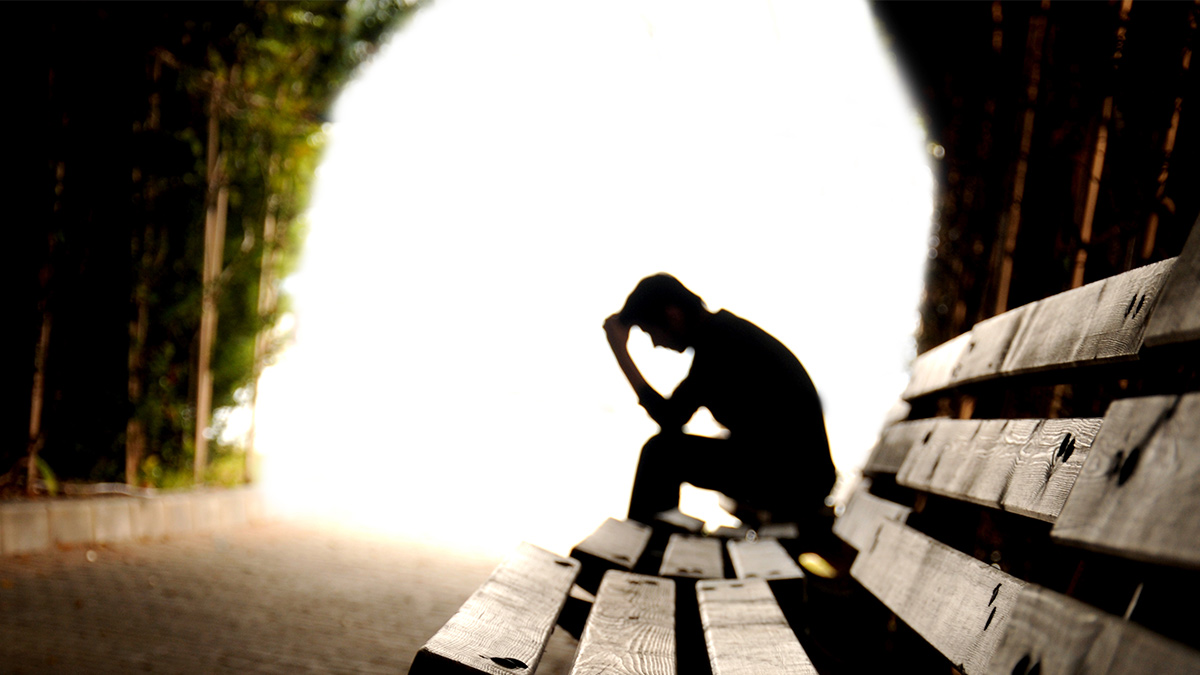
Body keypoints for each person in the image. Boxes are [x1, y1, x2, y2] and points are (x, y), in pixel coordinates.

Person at [604, 273, 835, 531]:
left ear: (673, 316)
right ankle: (647, 543)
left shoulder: (720, 343)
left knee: (661, 454)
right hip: (797, 475)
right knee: (665, 452)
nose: (656, 344)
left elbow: (670, 418)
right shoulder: (721, 336)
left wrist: (620, 353)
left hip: (796, 483)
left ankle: (632, 551)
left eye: (651, 332)